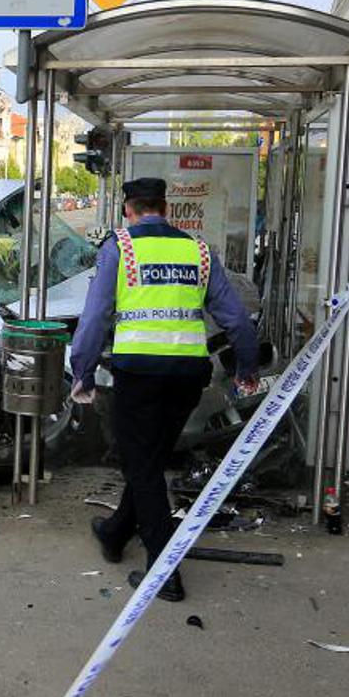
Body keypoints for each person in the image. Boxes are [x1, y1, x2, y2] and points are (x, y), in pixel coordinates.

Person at [70, 178, 259, 603]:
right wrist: (246, 367)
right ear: (165, 208)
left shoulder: (120, 248)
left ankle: (163, 571)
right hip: (187, 376)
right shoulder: (198, 251)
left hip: (138, 374)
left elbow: (95, 318)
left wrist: (82, 371)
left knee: (142, 467)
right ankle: (115, 532)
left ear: (128, 210)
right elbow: (236, 319)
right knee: (149, 459)